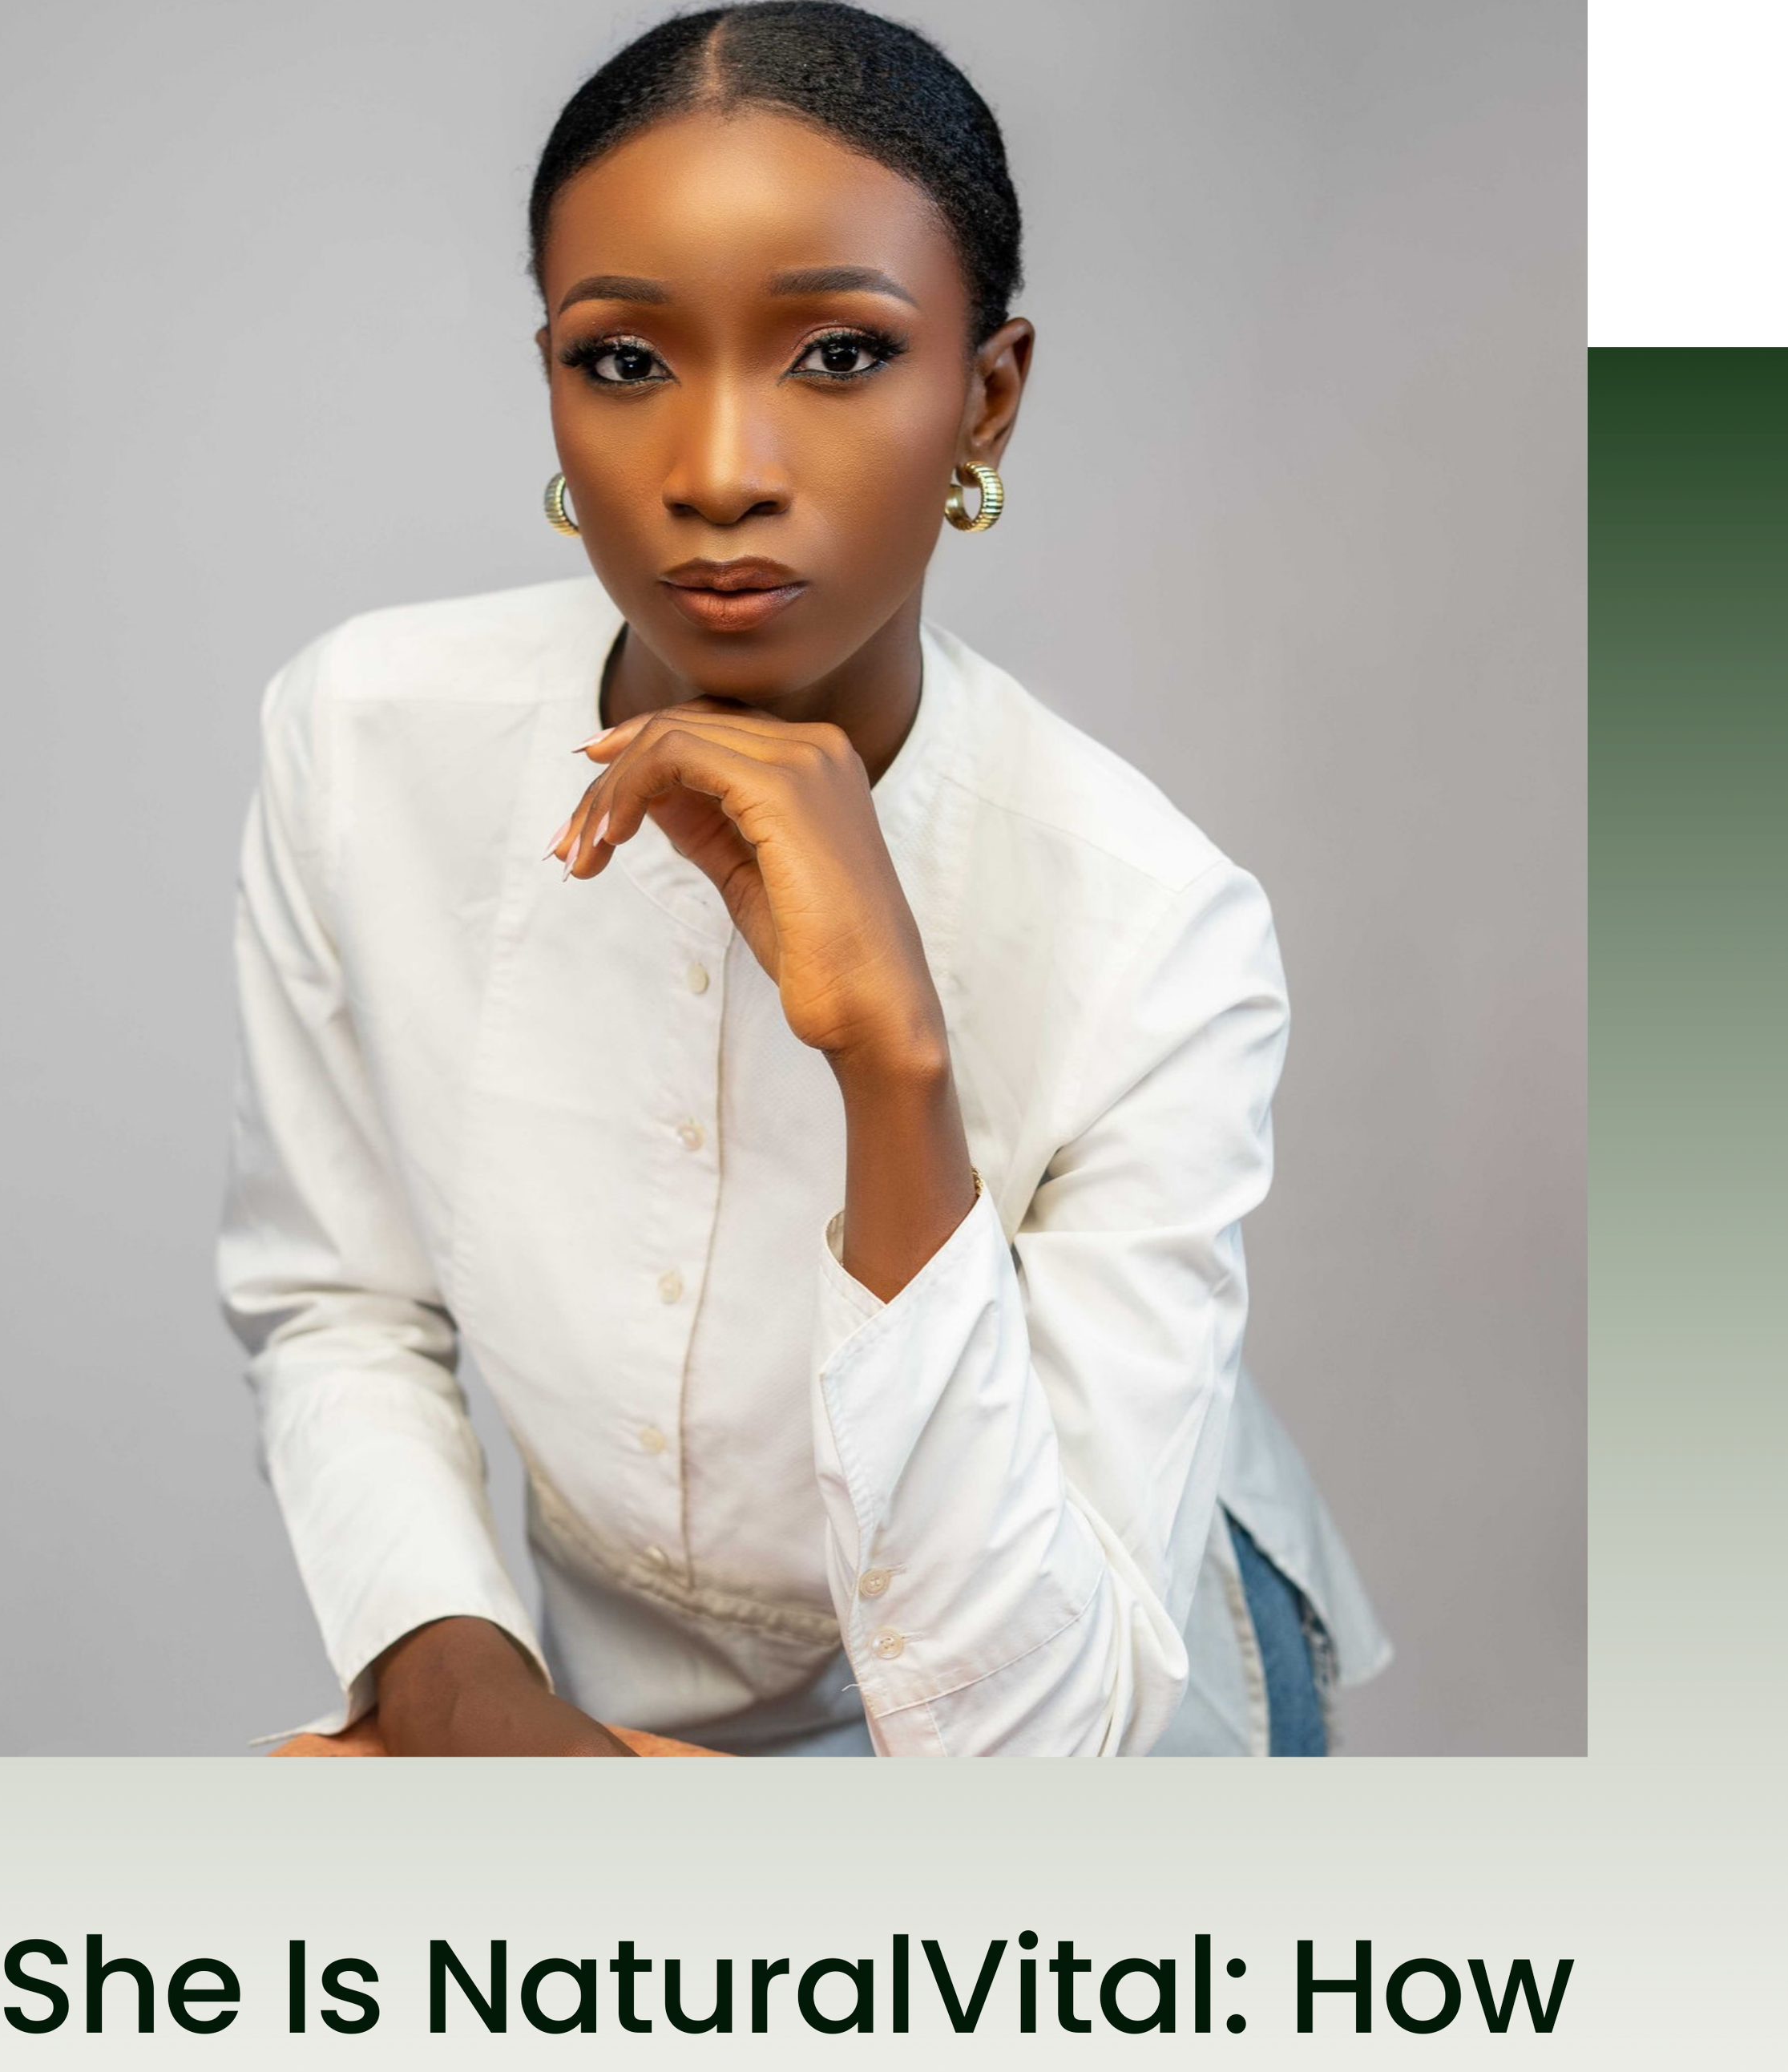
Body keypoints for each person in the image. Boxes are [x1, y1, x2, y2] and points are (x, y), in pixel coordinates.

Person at [218, 0, 1390, 1759]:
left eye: (836, 354)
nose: (716, 474)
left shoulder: (1155, 929)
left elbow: (1041, 1746)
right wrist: (467, 1694)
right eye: (624, 361)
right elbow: (336, 1296)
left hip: (1086, 1685)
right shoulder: (361, 736)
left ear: (984, 398)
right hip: (571, 1700)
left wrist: (891, 1061)